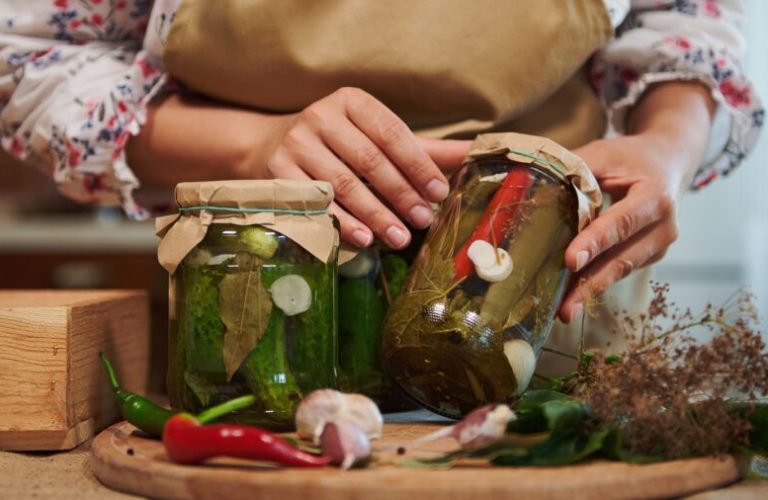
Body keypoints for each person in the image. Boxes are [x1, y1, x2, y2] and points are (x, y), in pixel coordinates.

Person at [0, 0, 763, 331]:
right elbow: (23, 55)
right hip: (250, 324)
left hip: (544, 317)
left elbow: (685, 21)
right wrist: (252, 146)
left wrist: (663, 146)